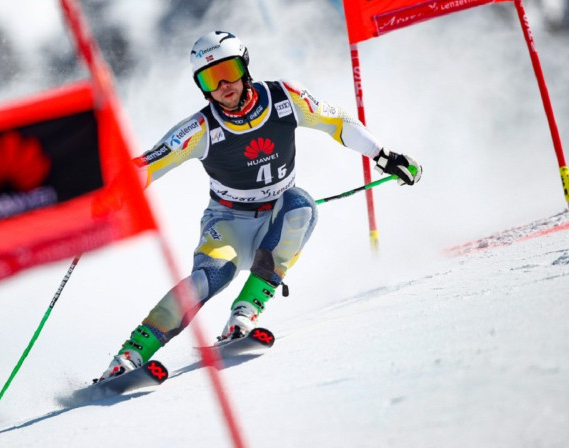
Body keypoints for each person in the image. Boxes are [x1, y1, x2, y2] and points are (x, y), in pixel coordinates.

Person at [95, 30, 422, 382]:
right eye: (210, 78)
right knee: (209, 278)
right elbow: (149, 164)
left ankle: (243, 316)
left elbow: (338, 122)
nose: (223, 85)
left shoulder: (286, 97)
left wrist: (384, 156)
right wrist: (106, 192)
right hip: (228, 223)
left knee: (301, 205)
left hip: (275, 222)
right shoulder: (201, 128)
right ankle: (129, 356)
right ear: (201, 86)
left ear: (245, 66)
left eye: (229, 71)